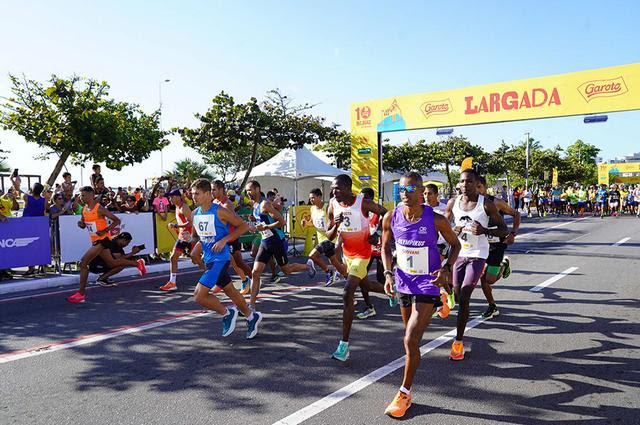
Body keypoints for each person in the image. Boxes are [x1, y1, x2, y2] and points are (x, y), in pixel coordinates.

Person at [381, 172, 461, 418]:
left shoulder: (435, 219)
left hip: (428, 283)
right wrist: (387, 273)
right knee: (410, 341)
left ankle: (404, 392)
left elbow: (455, 245)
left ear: (421, 192)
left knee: (410, 340)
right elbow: (384, 246)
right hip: (404, 282)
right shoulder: (391, 217)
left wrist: (446, 269)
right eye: (401, 190)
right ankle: (410, 377)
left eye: (410, 189)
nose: (404, 194)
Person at [325, 174, 390, 361]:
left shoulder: (362, 202)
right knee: (367, 286)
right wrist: (335, 226)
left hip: (363, 255)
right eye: (332, 188)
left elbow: (386, 213)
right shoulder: (333, 204)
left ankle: (343, 346)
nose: (334, 192)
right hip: (348, 256)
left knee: (347, 293)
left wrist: (377, 232)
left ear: (348, 188)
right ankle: (396, 292)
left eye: (337, 188)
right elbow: (329, 235)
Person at [444, 169, 507, 360]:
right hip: (459, 253)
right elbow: (443, 225)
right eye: (462, 182)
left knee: (464, 297)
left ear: (475, 183)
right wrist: (452, 230)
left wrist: (485, 230)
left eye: (469, 182)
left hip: (478, 254)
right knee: (455, 293)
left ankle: (458, 342)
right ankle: (445, 297)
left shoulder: (485, 204)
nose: (464, 185)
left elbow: (504, 230)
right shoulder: (453, 203)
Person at [189, 178, 262, 339]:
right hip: (209, 259)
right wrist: (193, 246)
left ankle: (226, 313)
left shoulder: (220, 211)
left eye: (197, 194)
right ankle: (251, 316)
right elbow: (197, 236)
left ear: (208, 194)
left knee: (199, 296)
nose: (194, 197)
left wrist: (225, 240)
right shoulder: (195, 214)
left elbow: (242, 226)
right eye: (192, 194)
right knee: (230, 291)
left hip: (220, 259)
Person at [66, 186, 147, 303]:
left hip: (103, 240)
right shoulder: (84, 209)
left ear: (91, 195)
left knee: (83, 263)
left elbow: (117, 221)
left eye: (83, 195)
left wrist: (105, 230)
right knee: (112, 263)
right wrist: (81, 224)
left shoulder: (100, 209)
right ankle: (138, 264)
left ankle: (81, 294)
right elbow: (84, 225)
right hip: (95, 240)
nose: (81, 198)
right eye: (81, 195)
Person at [245, 180, 312, 310]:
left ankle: (307, 266)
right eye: (247, 191)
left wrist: (265, 226)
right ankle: (251, 305)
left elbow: (281, 222)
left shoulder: (265, 204)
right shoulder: (255, 204)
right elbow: (262, 220)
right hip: (265, 241)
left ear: (258, 189)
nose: (248, 193)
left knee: (286, 270)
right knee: (255, 272)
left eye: (250, 190)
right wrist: (254, 223)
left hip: (275, 240)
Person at [477, 176, 520, 319]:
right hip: (479, 245)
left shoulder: (496, 202)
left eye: (479, 187)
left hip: (497, 245)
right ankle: (492, 306)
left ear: (485, 187)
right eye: (474, 187)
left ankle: (503, 265)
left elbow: (516, 214)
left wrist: (513, 233)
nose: (477, 190)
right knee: (482, 279)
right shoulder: (470, 204)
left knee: (489, 280)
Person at [160, 189, 205, 292]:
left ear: (178, 197)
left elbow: (191, 222)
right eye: (170, 197)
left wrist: (177, 225)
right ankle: (172, 282)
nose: (170, 199)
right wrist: (178, 229)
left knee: (195, 260)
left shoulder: (184, 207)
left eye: (172, 197)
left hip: (190, 237)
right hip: (182, 237)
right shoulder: (177, 207)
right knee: (173, 258)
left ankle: (212, 276)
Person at [212, 180, 252, 295]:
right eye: (211, 189)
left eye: (214, 189)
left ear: (221, 190)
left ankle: (249, 280)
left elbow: (234, 222)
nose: (212, 192)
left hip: (230, 238)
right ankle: (221, 283)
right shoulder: (214, 202)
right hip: (221, 239)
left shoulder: (227, 204)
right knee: (221, 261)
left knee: (237, 263)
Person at [305, 188, 347, 286]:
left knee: (312, 255)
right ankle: (349, 281)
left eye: (313, 198)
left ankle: (328, 272)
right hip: (321, 239)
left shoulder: (327, 207)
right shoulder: (312, 208)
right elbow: (313, 222)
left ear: (319, 197)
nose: (311, 200)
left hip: (331, 239)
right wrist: (307, 223)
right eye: (310, 198)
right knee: (336, 263)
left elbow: (333, 222)